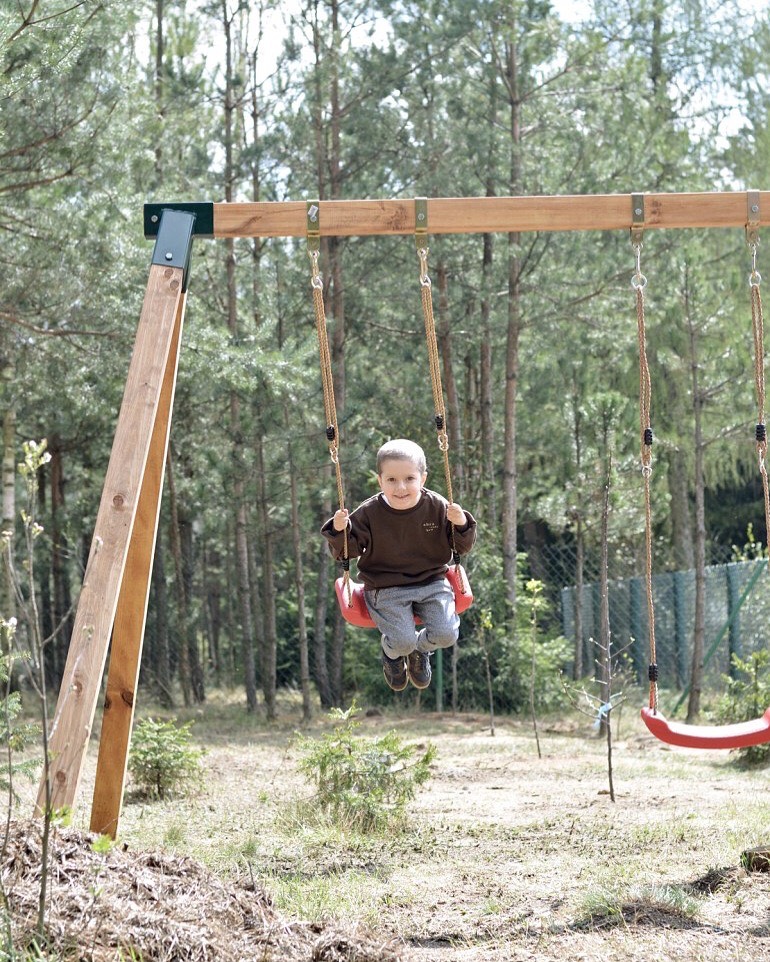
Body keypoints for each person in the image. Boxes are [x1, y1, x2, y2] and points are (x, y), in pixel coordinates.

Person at [321, 438, 476, 691]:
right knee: (402, 641)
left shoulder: (438, 506)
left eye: (409, 479)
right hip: (386, 586)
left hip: (432, 581)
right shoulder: (369, 512)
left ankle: (421, 651)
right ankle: (392, 654)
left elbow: (461, 546)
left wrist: (461, 524)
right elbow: (345, 553)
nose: (401, 487)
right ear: (380, 481)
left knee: (447, 634)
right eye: (391, 480)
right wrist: (339, 531)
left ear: (422, 478)